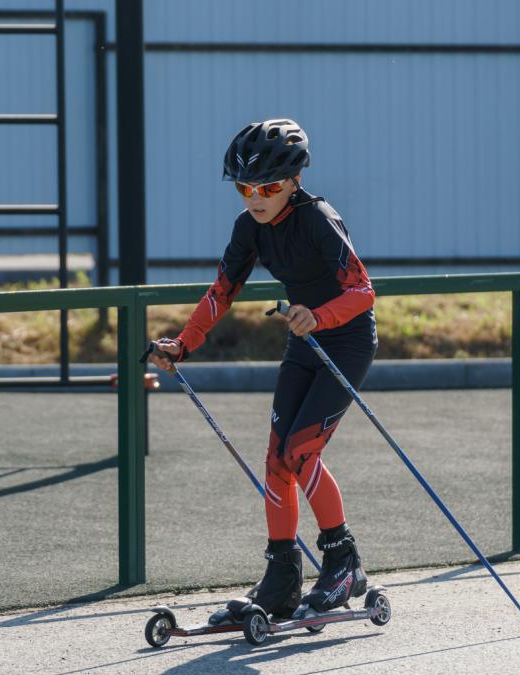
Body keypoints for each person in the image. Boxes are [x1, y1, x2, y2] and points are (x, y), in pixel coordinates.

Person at [146, 118, 378, 623]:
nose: (256, 196)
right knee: (276, 460)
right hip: (304, 339)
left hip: (346, 338)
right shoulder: (249, 227)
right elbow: (221, 292)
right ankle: (282, 577)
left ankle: (343, 562)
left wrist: (319, 315)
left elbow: (363, 293)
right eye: (244, 187)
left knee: (300, 452)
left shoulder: (319, 219)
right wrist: (182, 345)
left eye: (269, 186)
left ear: (294, 181)